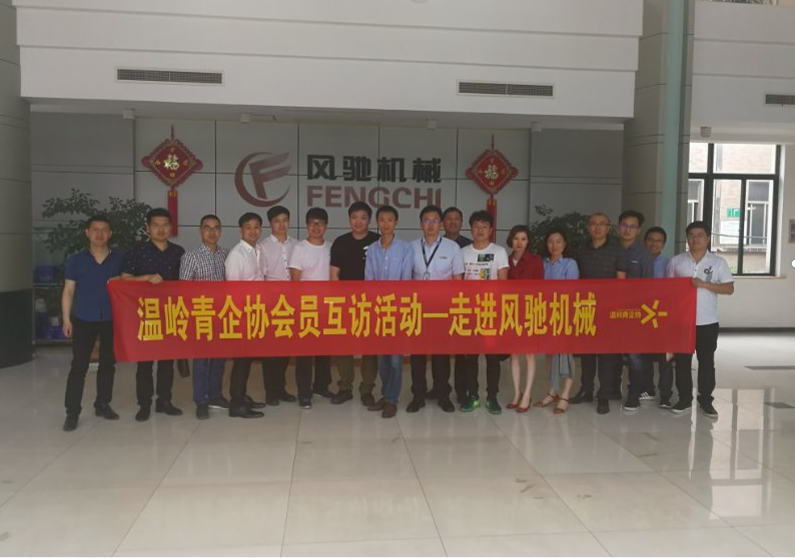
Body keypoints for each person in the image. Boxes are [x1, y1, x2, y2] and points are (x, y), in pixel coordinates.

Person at [121, 208, 185, 422]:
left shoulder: (178, 252)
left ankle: (164, 401)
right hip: (144, 314)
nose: (161, 229)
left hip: (170, 313)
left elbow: (185, 284)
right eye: (156, 225)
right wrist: (145, 278)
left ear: (171, 227)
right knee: (145, 363)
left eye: (165, 225)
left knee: (167, 362)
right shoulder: (136, 251)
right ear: (148, 228)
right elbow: (124, 280)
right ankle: (144, 404)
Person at [61, 215, 123, 432]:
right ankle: (72, 413)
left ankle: (102, 404)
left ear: (110, 234)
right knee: (79, 366)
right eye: (95, 229)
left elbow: (130, 282)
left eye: (104, 230)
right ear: (87, 233)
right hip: (83, 319)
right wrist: (66, 318)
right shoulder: (76, 260)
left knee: (108, 364)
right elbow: (69, 290)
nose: (99, 234)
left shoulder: (119, 258)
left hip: (112, 319)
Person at [667, 221, 734, 418]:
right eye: (691, 235)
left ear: (708, 238)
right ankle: (684, 399)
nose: (695, 239)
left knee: (706, 362)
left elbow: (729, 289)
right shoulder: (676, 262)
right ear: (687, 238)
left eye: (700, 235)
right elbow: (667, 291)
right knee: (682, 363)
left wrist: (704, 285)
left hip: (707, 322)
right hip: (681, 322)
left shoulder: (718, 263)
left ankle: (706, 400)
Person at [407, 204, 465, 413]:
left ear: (440, 224)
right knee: (417, 355)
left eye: (434, 221)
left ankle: (442, 394)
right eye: (426, 220)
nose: (430, 225)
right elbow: (405, 279)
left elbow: (458, 280)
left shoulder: (452, 247)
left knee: (441, 355)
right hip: (418, 308)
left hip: (443, 309)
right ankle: (418, 395)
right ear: (420, 224)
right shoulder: (411, 247)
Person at [572, 212, 627, 414]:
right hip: (586, 308)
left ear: (608, 227)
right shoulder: (581, 250)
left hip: (608, 309)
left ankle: (604, 394)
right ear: (588, 227)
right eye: (593, 224)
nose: (597, 227)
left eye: (601, 224)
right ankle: (586, 389)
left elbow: (621, 281)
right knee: (586, 353)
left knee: (606, 355)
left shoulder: (617, 250)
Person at [364, 205, 413, 418]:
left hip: (397, 310)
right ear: (377, 222)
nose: (386, 224)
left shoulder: (405, 248)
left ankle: (392, 399)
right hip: (377, 310)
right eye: (382, 220)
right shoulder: (372, 249)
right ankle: (386, 395)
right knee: (382, 358)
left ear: (396, 222)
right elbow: (369, 280)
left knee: (395, 359)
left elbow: (406, 280)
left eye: (390, 220)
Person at [330, 201, 380, 407]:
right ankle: (345, 387)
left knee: (370, 348)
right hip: (346, 303)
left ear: (369, 220)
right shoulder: (340, 242)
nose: (358, 222)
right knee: (344, 346)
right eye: (354, 217)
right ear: (349, 219)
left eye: (363, 218)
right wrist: (339, 301)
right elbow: (334, 274)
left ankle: (367, 388)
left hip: (372, 304)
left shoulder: (377, 241)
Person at [179, 214, 230, 420]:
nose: (212, 232)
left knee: (219, 360)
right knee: (201, 362)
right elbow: (184, 291)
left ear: (220, 231)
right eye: (207, 228)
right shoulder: (190, 257)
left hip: (223, 316)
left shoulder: (227, 255)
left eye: (216, 228)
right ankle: (201, 400)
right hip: (200, 316)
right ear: (200, 231)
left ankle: (216, 395)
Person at [459, 211, 509, 414]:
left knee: (492, 357)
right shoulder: (463, 252)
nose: (480, 230)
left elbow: (504, 284)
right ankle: (472, 395)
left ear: (491, 229)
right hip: (469, 312)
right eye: (476, 226)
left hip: (491, 312)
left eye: (484, 226)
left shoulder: (499, 252)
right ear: (471, 229)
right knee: (470, 357)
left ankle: (492, 397)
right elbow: (458, 283)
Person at [289, 207, 334, 409]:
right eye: (312, 223)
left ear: (326, 226)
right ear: (307, 225)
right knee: (305, 354)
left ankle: (321, 386)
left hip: (327, 308)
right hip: (306, 308)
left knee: (325, 351)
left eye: (320, 223)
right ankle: (304, 393)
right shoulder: (299, 248)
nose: (316, 227)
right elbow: (294, 282)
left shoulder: (331, 247)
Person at [225, 212, 267, 419]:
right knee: (241, 360)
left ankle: (242, 396)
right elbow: (233, 292)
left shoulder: (259, 250)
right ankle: (236, 403)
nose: (253, 231)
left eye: (256, 227)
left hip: (256, 312)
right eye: (248, 227)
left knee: (248, 359)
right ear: (241, 230)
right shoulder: (237, 255)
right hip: (242, 315)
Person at [535, 228, 580, 414]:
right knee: (549, 354)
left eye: (558, 241)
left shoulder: (570, 263)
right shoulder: (542, 263)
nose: (554, 245)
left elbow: (570, 291)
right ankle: (552, 391)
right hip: (544, 313)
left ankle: (565, 395)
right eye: (550, 241)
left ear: (565, 244)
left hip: (564, 313)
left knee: (566, 355)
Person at [615, 210, 655, 413]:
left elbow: (647, 288)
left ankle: (634, 394)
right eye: (624, 225)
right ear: (618, 227)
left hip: (634, 313)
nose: (627, 230)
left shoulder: (643, 255)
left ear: (638, 230)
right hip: (612, 311)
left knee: (634, 356)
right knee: (613, 353)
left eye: (632, 227)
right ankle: (612, 390)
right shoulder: (611, 249)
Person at [258, 205, 298, 406]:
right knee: (270, 351)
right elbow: (261, 277)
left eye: (285, 220)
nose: (281, 225)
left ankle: (281, 388)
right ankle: (270, 391)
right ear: (270, 224)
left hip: (292, 304)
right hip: (271, 304)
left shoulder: (297, 245)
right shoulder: (263, 247)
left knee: (285, 349)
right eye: (277, 221)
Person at [505, 224, 544, 413]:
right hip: (510, 312)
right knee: (514, 354)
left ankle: (527, 394)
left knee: (529, 354)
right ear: (511, 240)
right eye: (516, 238)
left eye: (523, 239)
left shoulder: (535, 261)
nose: (519, 242)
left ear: (528, 241)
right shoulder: (506, 260)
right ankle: (516, 393)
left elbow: (540, 289)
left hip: (529, 310)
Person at [441, 206, 471, 403]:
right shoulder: (437, 243)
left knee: (463, 351)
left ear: (462, 222)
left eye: (456, 219)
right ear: (443, 222)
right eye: (449, 219)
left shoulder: (470, 246)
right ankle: (440, 388)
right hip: (442, 305)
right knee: (441, 350)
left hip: (464, 305)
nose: (452, 222)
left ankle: (462, 390)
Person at [644, 225, 674, 408]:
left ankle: (666, 394)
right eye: (650, 240)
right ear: (645, 241)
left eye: (658, 241)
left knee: (666, 358)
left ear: (663, 244)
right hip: (641, 315)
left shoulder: (669, 264)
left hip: (662, 315)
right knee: (643, 355)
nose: (653, 244)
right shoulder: (637, 260)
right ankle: (647, 389)